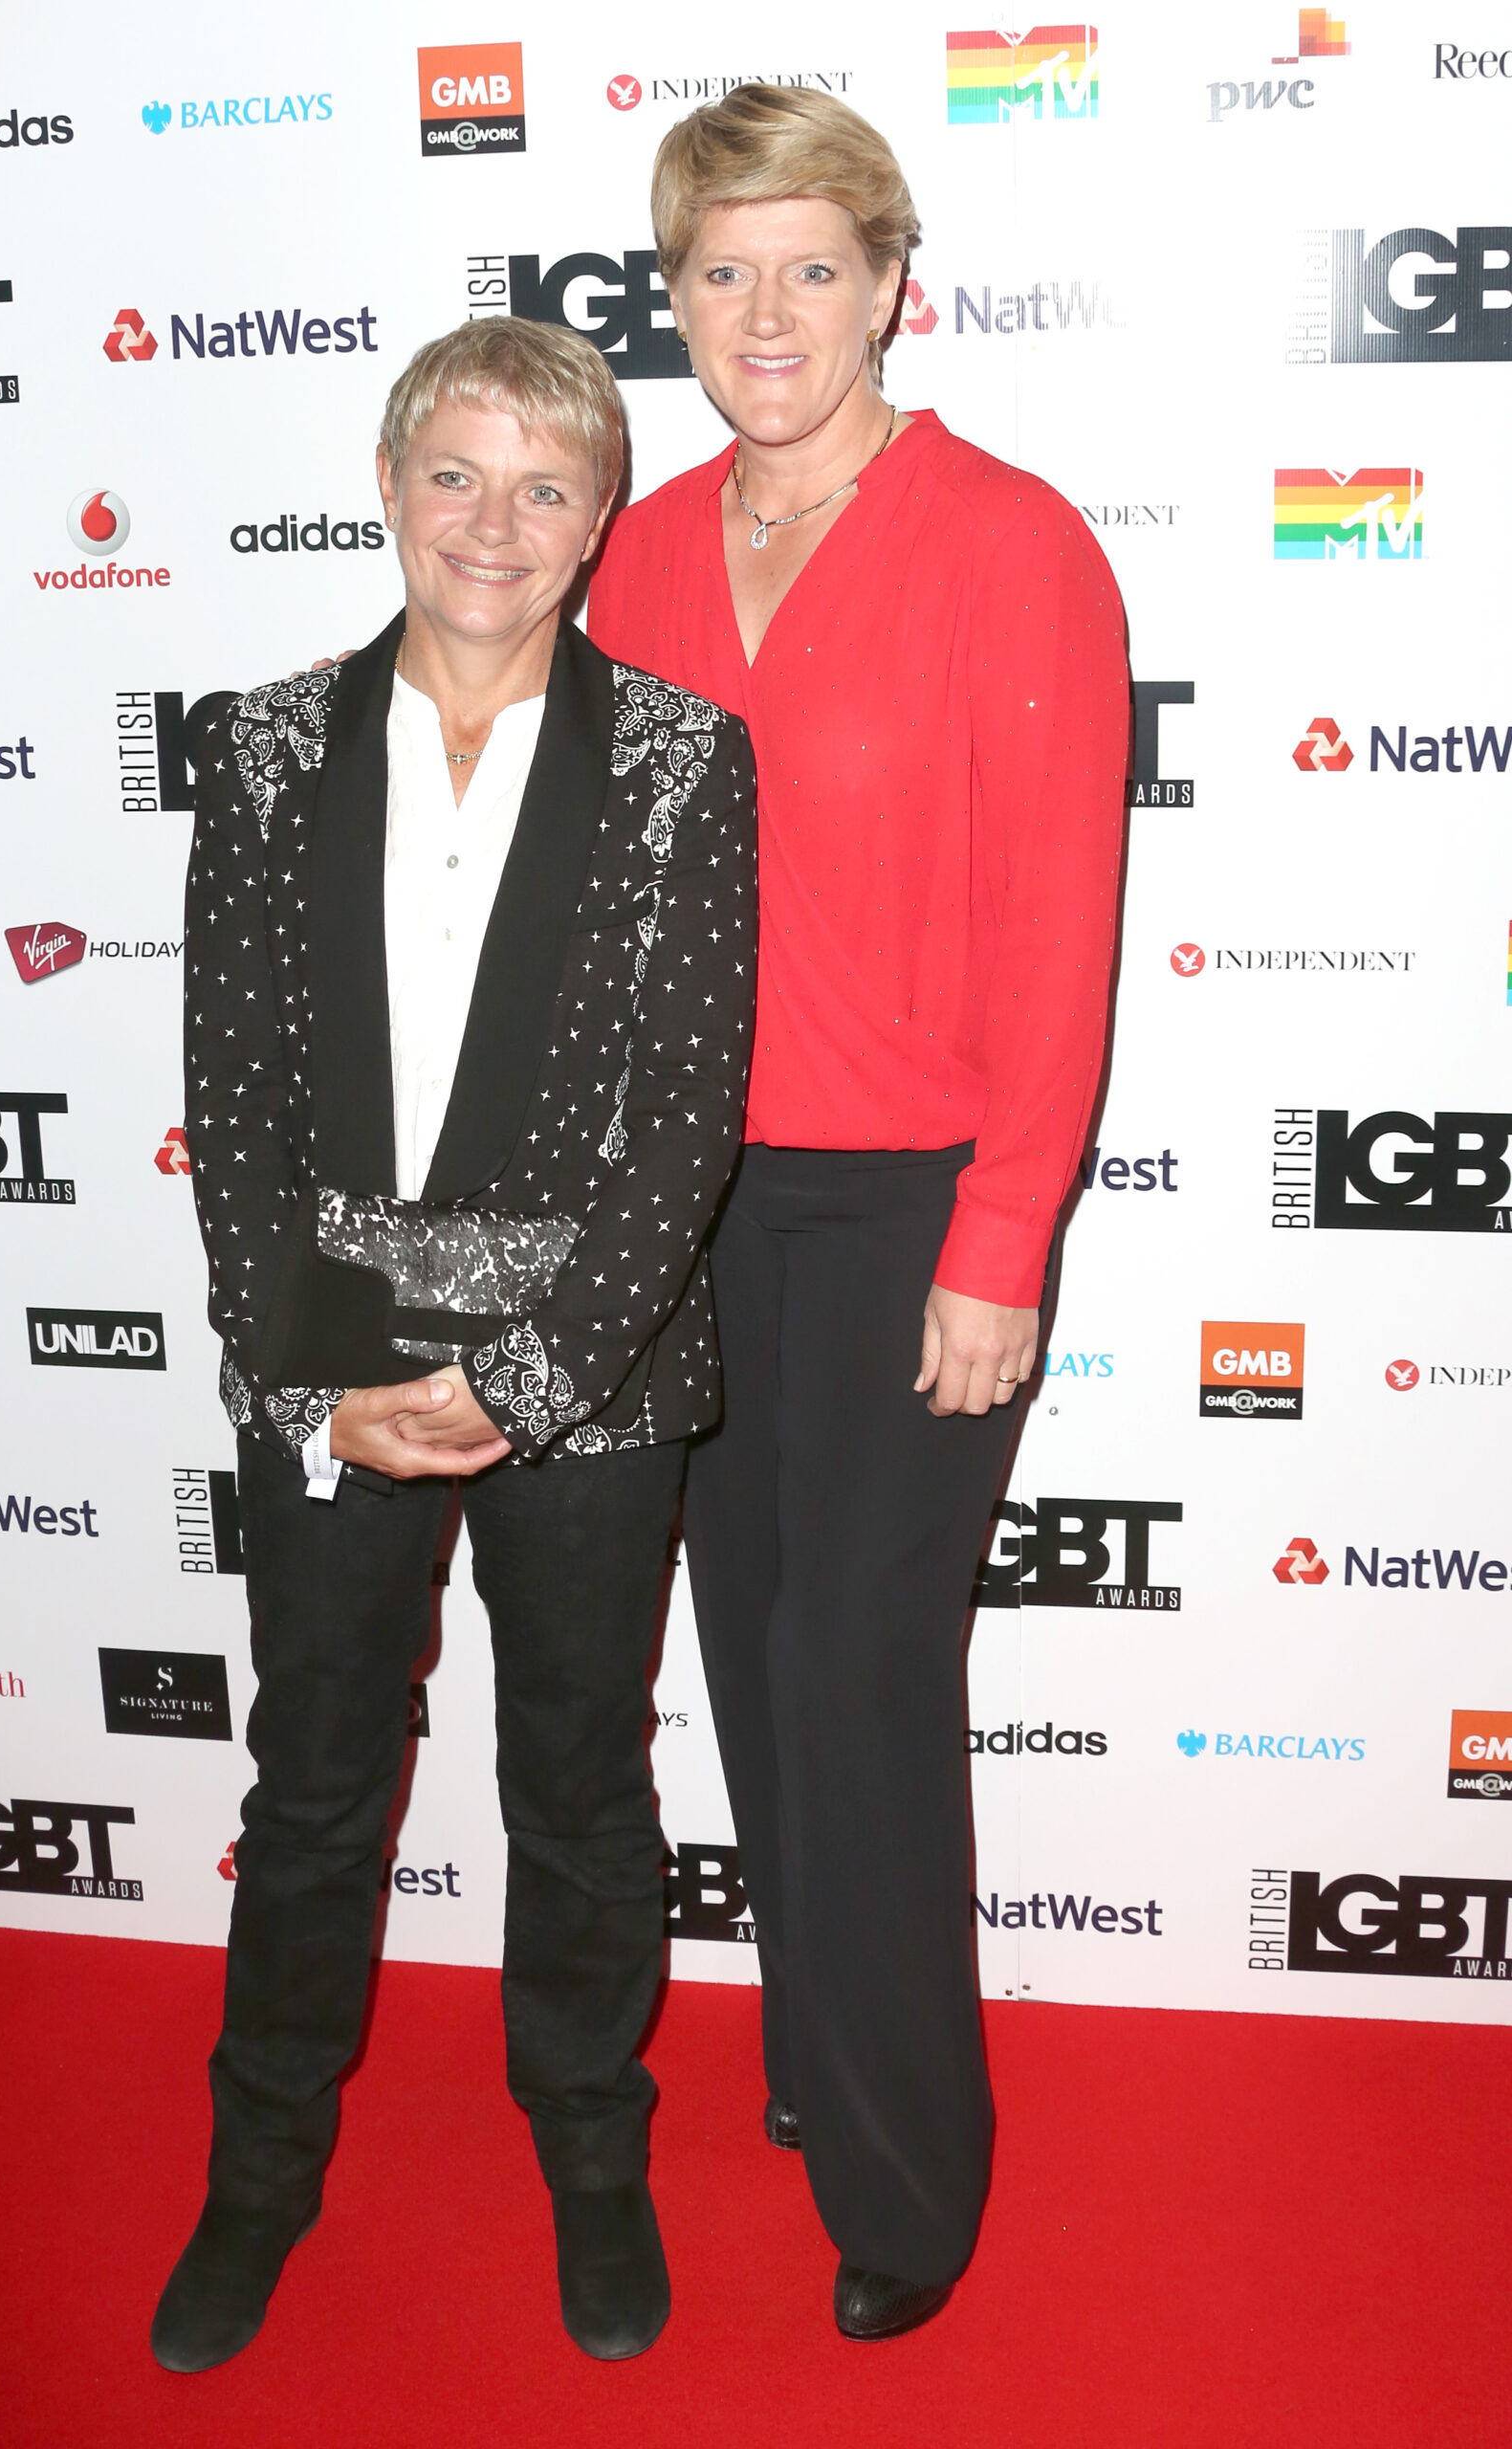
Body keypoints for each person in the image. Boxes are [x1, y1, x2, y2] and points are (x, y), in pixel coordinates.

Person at [157, 317, 756, 2372]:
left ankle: (592, 2151)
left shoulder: (681, 755)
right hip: (320, 1347)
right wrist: (315, 1372)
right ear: (389, 476)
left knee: (580, 1781)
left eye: (543, 483)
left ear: (599, 517)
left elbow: (682, 1122)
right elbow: (226, 1091)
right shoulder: (253, 741)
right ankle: (256, 2172)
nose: (491, 523)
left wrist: (512, 1380)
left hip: (589, 1368)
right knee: (315, 1774)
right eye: (454, 472)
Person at [588, 86, 1129, 2342]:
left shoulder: (1008, 542)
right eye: (719, 271)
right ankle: (816, 2053)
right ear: (674, 302)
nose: (764, 311)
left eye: (811, 264)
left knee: (856, 1670)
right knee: (743, 1659)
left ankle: (911, 2171)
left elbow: (1051, 925)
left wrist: (1002, 1232)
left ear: (895, 283)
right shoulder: (630, 547)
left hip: (914, 1204)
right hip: (681, 1216)